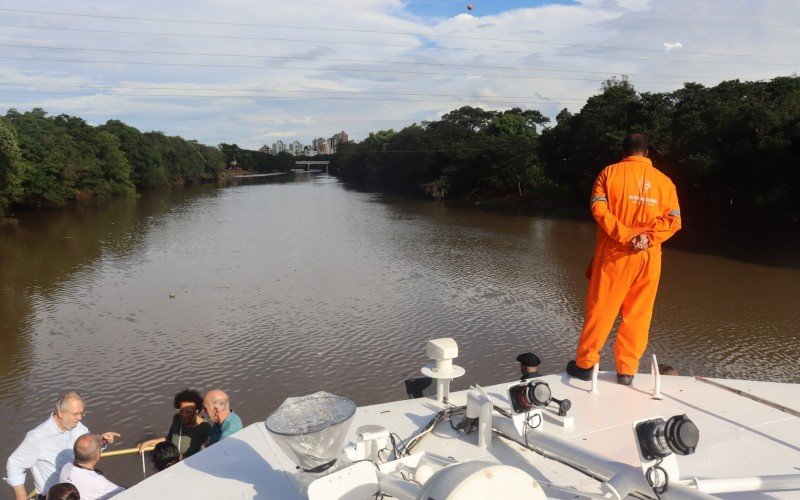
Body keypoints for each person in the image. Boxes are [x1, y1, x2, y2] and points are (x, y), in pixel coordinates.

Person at [566, 133, 681, 386]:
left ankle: (585, 365)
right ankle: (627, 371)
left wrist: (627, 235)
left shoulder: (609, 173)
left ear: (623, 151)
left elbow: (599, 209)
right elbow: (674, 221)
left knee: (601, 309)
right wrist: (647, 238)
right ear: (648, 153)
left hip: (615, 254)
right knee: (638, 315)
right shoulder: (665, 182)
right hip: (648, 257)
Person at [6, 392, 120, 500]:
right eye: (75, 414)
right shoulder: (37, 437)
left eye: (81, 413)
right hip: (54, 496)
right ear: (60, 412)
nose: (80, 418)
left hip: (78, 491)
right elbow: (14, 464)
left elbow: (86, 447)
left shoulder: (78, 426)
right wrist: (21, 497)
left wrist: (101, 440)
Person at [137, 389, 211, 459]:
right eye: (181, 411)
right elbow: (169, 439)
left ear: (197, 411)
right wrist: (147, 444)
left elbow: (207, 455)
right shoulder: (177, 418)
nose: (184, 415)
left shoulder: (205, 428)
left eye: (189, 412)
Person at [58, 434, 124, 500]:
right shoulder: (97, 481)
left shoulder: (66, 466)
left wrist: (99, 441)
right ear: (97, 457)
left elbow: (86, 451)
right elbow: (124, 492)